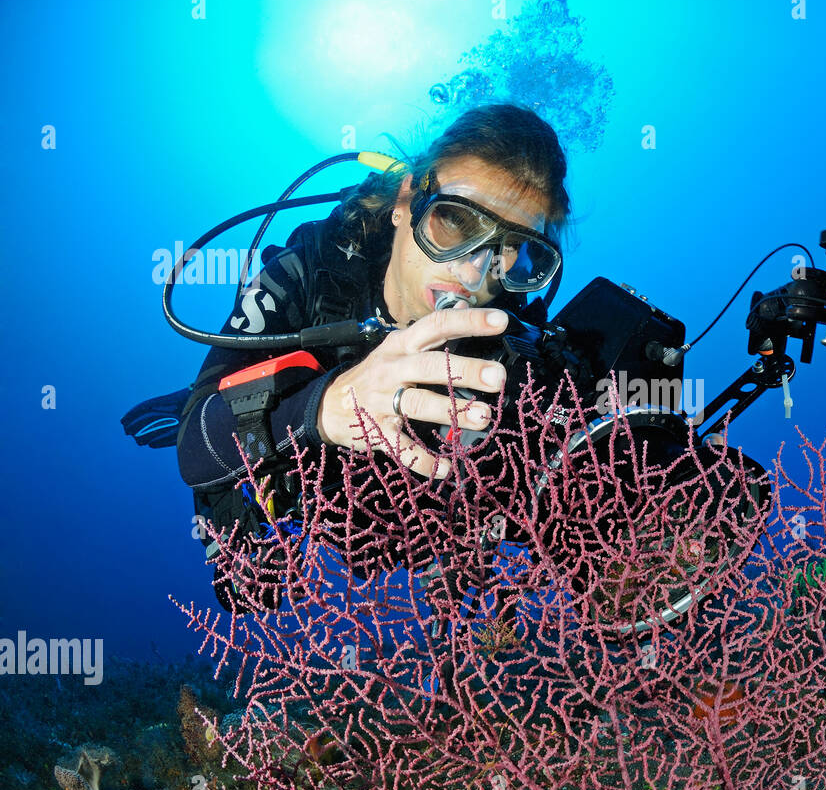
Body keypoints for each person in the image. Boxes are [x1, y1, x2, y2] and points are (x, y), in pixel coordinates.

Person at [176, 104, 572, 585]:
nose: (472, 272)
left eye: (510, 247)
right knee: (249, 590)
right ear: (407, 201)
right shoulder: (304, 278)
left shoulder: (515, 339)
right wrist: (322, 408)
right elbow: (194, 445)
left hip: (409, 533)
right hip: (313, 496)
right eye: (456, 221)